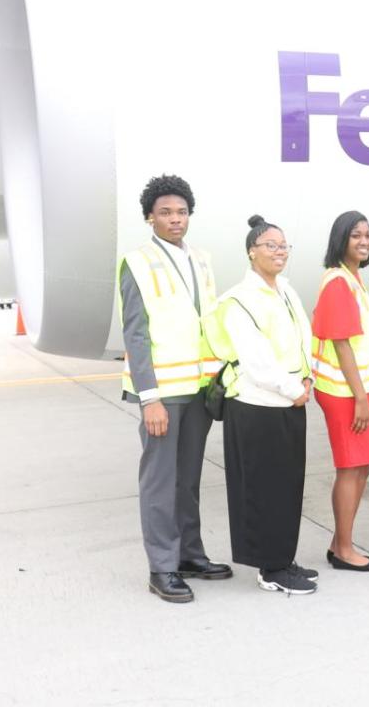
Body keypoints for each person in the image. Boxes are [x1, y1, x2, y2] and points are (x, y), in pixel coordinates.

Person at [118, 174, 231, 603]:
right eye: (165, 212)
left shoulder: (200, 259)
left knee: (187, 481)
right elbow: (136, 334)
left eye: (181, 212)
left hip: (198, 389)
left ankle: (189, 554)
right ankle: (162, 568)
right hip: (162, 394)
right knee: (160, 483)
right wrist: (150, 398)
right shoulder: (138, 262)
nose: (174, 219)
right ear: (150, 217)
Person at [205, 215, 318, 595]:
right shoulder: (239, 300)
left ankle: (283, 556)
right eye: (270, 245)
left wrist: (307, 378)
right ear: (251, 251)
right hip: (257, 406)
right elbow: (256, 361)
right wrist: (292, 388)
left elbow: (304, 339)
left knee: (287, 486)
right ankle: (270, 568)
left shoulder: (285, 290)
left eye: (284, 245)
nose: (279, 251)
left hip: (289, 401)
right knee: (263, 489)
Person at [311, 211, 369, 572]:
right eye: (356, 235)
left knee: (364, 463)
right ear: (340, 238)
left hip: (355, 387)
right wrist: (359, 398)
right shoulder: (338, 282)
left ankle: (339, 540)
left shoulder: (354, 279)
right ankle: (343, 549)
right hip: (343, 390)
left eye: (368, 235)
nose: (364, 241)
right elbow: (341, 344)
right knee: (351, 466)